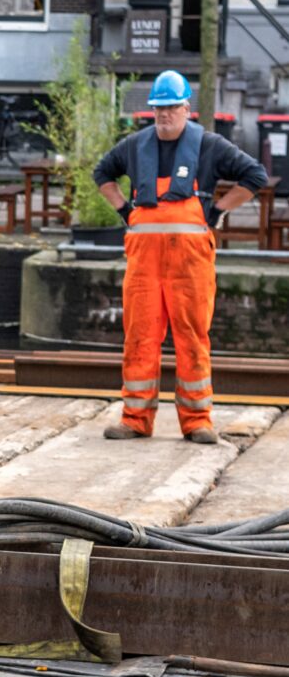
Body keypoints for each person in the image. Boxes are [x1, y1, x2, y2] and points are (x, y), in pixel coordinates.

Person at [93, 71, 267, 443]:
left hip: (190, 266)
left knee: (192, 337)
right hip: (144, 267)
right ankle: (135, 419)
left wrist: (218, 210)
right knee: (139, 337)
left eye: (171, 108)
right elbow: (102, 173)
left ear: (187, 109)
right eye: (158, 108)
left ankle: (197, 420)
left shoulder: (210, 146)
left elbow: (255, 175)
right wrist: (125, 210)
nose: (163, 115)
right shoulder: (133, 146)